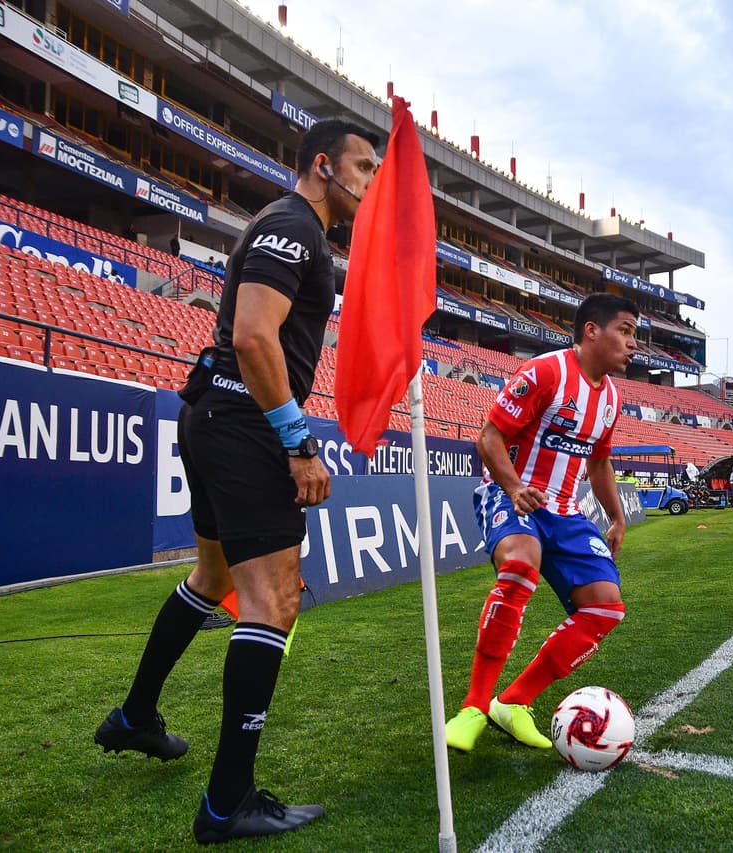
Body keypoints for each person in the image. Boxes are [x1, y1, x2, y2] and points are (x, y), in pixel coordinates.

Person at [94, 119, 379, 845]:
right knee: (274, 599)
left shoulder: (290, 226)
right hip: (245, 423)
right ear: (324, 165)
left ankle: (135, 716)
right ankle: (228, 803)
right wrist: (297, 442)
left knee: (214, 575)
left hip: (215, 413)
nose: (370, 182)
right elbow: (254, 335)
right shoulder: (295, 225)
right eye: (364, 167)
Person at [443, 293, 638, 753]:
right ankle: (473, 707)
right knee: (520, 565)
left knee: (606, 607)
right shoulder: (546, 372)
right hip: (511, 494)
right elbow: (489, 437)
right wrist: (514, 488)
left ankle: (512, 703)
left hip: (565, 510)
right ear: (592, 330)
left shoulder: (610, 398)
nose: (634, 344)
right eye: (626, 331)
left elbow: (599, 462)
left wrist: (616, 518)